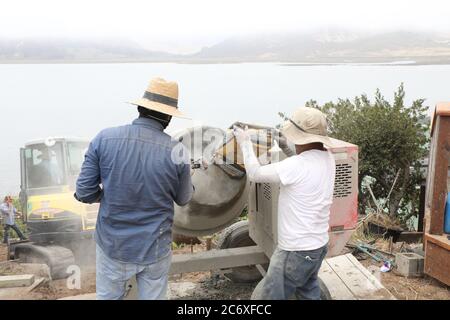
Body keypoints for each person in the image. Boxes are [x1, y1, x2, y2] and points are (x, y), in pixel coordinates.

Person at [75, 77, 194, 300]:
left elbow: (83, 193)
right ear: (169, 117)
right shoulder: (178, 151)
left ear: (140, 108)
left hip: (113, 245)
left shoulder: (104, 138)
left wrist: (106, 195)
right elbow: (184, 198)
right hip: (154, 247)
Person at [233, 107, 336, 300]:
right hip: (317, 247)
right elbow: (303, 168)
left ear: (299, 137)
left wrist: (245, 143)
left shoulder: (296, 166)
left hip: (294, 252)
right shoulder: (328, 158)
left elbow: (255, 174)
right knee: (308, 293)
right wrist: (286, 148)